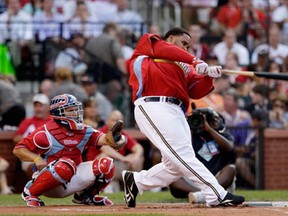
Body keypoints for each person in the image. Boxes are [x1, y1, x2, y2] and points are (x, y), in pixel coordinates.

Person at [122, 27, 245, 208]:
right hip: (154, 104)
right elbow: (165, 49)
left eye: (189, 46)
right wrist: (196, 60)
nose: (186, 49)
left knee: (174, 165)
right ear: (170, 38)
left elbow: (195, 91)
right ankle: (216, 194)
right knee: (183, 154)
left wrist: (209, 77)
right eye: (183, 43)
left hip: (177, 110)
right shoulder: (151, 46)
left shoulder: (185, 65)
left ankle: (136, 181)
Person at [13, 94, 127, 207]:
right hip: (49, 181)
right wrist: (36, 159)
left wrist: (116, 139)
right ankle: (30, 192)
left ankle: (85, 196)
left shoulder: (84, 129)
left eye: (75, 109)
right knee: (65, 165)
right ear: (58, 113)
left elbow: (104, 139)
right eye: (70, 110)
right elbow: (18, 149)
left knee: (107, 164)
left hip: (74, 173)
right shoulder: (44, 133)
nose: (75, 113)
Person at [169, 108, 236, 204]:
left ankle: (206, 194)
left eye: (216, 118)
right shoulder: (191, 136)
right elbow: (177, 150)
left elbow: (229, 148)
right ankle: (203, 194)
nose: (215, 121)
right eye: (211, 120)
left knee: (231, 168)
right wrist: (188, 127)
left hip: (216, 180)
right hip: (193, 180)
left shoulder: (225, 136)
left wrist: (209, 130)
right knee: (172, 175)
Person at [89, 110, 144, 192]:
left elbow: (138, 147)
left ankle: (135, 184)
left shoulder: (121, 134)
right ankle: (103, 186)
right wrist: (123, 158)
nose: (116, 123)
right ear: (107, 121)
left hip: (117, 165)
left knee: (138, 158)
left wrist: (135, 157)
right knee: (104, 157)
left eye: (118, 121)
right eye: (113, 120)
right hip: (95, 168)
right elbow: (105, 148)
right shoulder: (100, 132)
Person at [13, 93, 52, 177]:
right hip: (32, 156)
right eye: (35, 106)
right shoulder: (28, 121)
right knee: (34, 167)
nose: (37, 109)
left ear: (48, 107)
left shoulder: (53, 121)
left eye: (40, 106)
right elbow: (16, 138)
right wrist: (31, 144)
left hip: (51, 154)